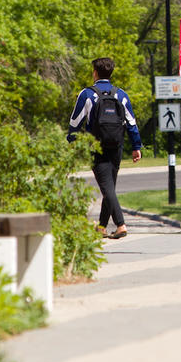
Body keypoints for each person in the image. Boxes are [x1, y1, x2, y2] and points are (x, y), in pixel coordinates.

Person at [68, 57, 142, 239]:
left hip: (96, 146)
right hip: (116, 146)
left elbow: (75, 122)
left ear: (95, 72)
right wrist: (136, 146)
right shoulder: (121, 94)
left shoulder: (86, 94)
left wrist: (71, 141)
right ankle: (101, 226)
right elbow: (131, 122)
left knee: (107, 188)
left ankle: (120, 224)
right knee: (109, 186)